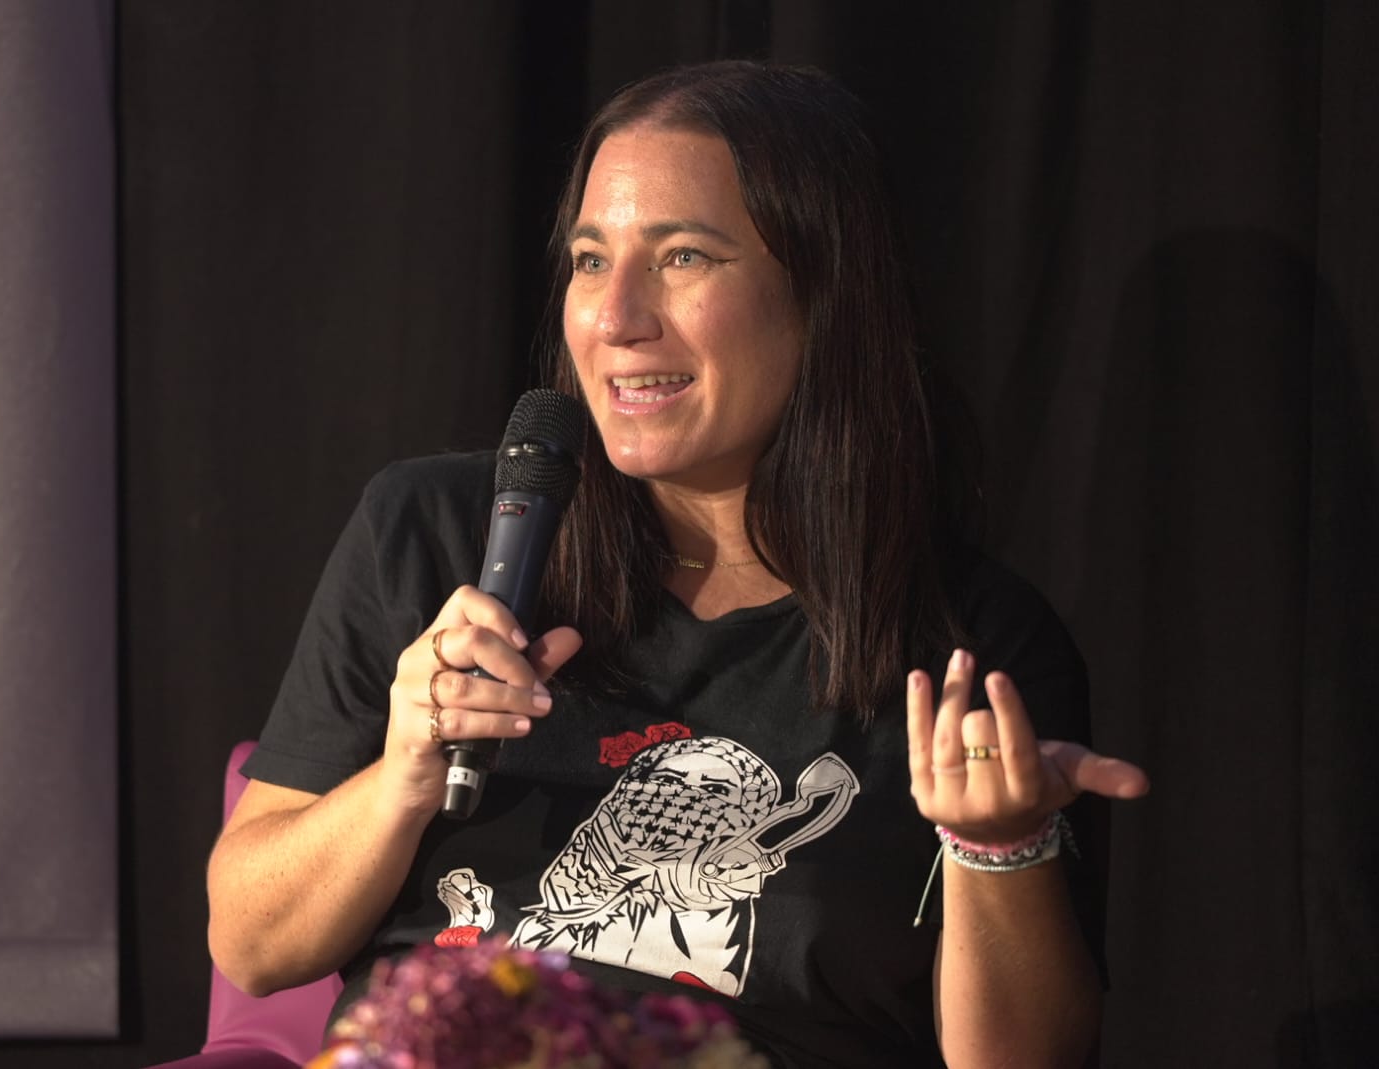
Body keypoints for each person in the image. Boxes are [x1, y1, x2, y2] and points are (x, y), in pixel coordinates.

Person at [206, 60, 1149, 1068]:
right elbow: (254, 946)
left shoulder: (970, 644)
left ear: (823, 292)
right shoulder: (435, 531)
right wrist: (405, 769)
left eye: (683, 256)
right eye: (589, 259)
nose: (615, 317)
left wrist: (998, 845)